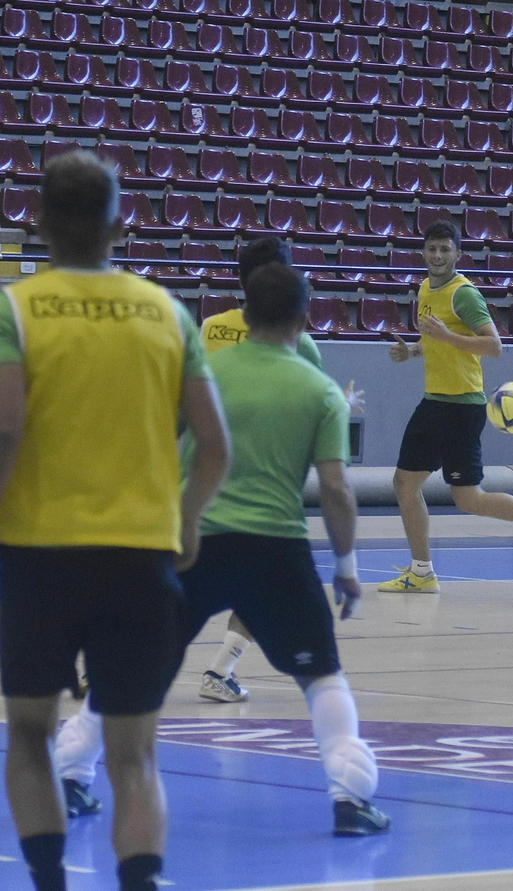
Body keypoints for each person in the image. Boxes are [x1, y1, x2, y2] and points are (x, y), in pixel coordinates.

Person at [0, 151, 231, 891]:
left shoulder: (9, 310)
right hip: (141, 556)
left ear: (38, 222)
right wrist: (188, 518)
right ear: (121, 223)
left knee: (29, 737)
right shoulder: (168, 313)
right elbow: (215, 443)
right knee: (134, 757)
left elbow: (4, 428)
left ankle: (50, 884)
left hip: (41, 558)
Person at [55, 263, 389, 837]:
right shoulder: (321, 392)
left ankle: (69, 777)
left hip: (192, 542)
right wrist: (347, 567)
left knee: (134, 664)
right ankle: (350, 800)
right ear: (305, 319)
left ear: (245, 313)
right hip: (275, 552)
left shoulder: (202, 370)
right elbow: (335, 488)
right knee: (323, 677)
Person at [195, 237, 361, 704]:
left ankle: (102, 681)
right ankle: (221, 667)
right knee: (275, 595)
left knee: (156, 614)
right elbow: (309, 399)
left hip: (201, 496)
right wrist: (342, 406)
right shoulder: (302, 344)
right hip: (267, 499)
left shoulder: (209, 327)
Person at [381, 220, 513, 593]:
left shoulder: (464, 294)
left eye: (445, 249)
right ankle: (421, 572)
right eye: (432, 249)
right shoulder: (425, 288)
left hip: (461, 407)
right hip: (433, 401)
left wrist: (446, 335)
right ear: (423, 252)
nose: (437, 255)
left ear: (458, 254)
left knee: (469, 499)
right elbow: (437, 344)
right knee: (404, 483)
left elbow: (494, 346)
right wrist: (412, 350)